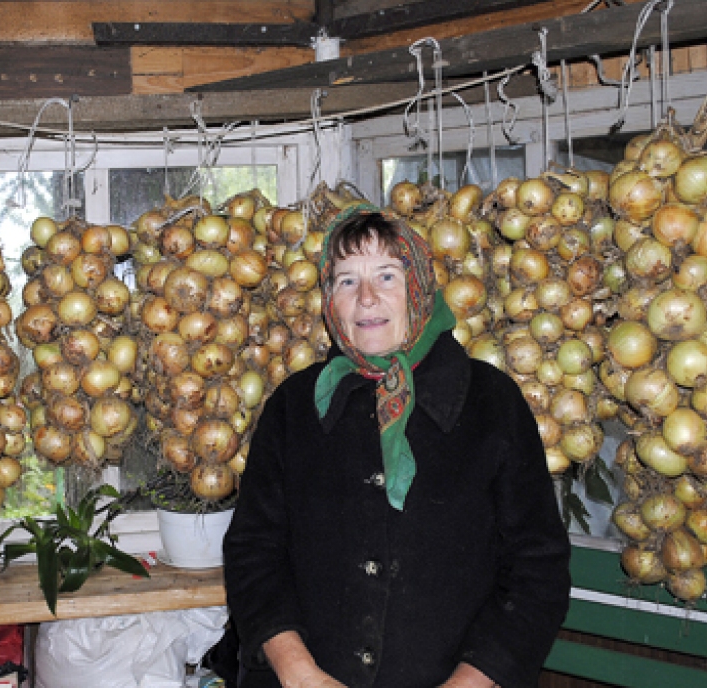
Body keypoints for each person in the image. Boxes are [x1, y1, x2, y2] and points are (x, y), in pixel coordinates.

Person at [222, 202, 571, 688]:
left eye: (386, 276)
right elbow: (253, 552)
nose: (366, 298)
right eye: (346, 280)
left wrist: (471, 682)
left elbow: (538, 571)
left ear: (420, 286)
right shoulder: (295, 407)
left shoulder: (492, 404)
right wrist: (300, 673)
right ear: (329, 299)